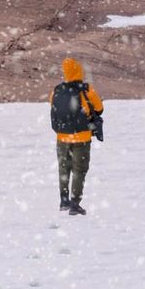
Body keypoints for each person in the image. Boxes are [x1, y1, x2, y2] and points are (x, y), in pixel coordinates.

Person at [49, 57, 104, 216]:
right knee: (79, 170)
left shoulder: (56, 90)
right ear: (79, 71)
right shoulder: (86, 90)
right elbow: (99, 109)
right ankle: (75, 203)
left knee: (63, 169)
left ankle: (64, 201)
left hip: (62, 138)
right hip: (82, 137)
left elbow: (54, 106)